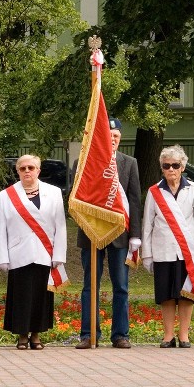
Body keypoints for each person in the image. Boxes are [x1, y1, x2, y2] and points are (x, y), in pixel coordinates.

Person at [75, 118, 142, 349]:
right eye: (108, 135)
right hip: (91, 233)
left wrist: (135, 235)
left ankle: (120, 335)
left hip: (120, 235)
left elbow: (134, 200)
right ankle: (88, 334)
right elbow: (77, 199)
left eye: (116, 136)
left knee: (121, 286)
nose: (112, 139)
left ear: (120, 139)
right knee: (89, 286)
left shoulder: (129, 163)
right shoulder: (83, 162)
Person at [142, 145, 194, 348]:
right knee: (166, 295)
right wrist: (147, 255)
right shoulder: (154, 192)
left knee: (185, 295)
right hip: (163, 250)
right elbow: (148, 223)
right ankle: (167, 335)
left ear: (183, 166)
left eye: (175, 165)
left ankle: (184, 335)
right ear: (162, 168)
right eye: (167, 166)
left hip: (187, 252)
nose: (171, 169)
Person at [0, 154, 67, 350]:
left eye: (31, 168)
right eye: (23, 168)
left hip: (45, 252)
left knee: (41, 296)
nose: (27, 171)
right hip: (18, 254)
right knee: (21, 295)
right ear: (17, 171)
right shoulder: (6, 195)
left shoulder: (53, 193)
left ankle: (36, 335)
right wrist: (2, 257)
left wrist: (59, 255)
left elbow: (60, 226)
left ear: (38, 170)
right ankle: (21, 335)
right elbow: (0, 229)